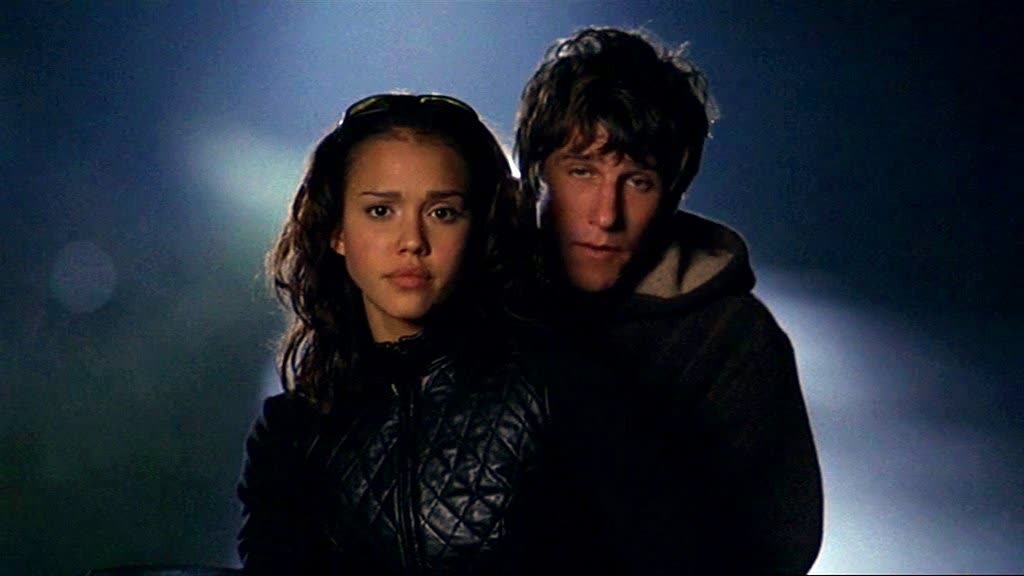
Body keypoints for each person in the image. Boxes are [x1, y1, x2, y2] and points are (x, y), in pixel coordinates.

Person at [515, 27, 824, 573]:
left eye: (637, 182)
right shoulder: (478, 298)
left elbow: (774, 550)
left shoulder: (734, 342)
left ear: (673, 192)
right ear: (540, 172)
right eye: (582, 171)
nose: (606, 214)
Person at [237, 93, 553, 575]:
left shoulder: (555, 391)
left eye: (443, 212)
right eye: (381, 211)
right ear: (337, 231)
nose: (412, 242)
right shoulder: (292, 433)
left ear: (479, 229)